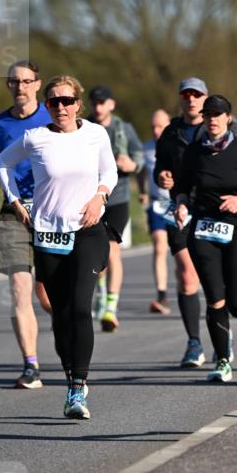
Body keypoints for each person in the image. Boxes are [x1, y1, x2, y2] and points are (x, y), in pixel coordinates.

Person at [0, 76, 117, 419]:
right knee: (61, 314)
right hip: (48, 233)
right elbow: (3, 163)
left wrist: (100, 196)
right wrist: (17, 202)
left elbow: (109, 171)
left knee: (80, 307)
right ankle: (70, 375)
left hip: (88, 231)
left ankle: (77, 386)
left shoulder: (95, 134)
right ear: (46, 106)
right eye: (53, 102)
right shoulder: (35, 138)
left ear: (78, 103)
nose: (60, 107)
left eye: (66, 100)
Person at [174, 94, 237, 383]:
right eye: (208, 115)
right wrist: (180, 204)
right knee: (215, 300)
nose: (212, 119)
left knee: (236, 304)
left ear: (228, 117)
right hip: (203, 232)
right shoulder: (193, 152)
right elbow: (182, 188)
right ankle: (224, 361)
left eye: (218, 114)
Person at [0, 59, 51, 389]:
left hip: (52, 212)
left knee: (49, 298)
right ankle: (31, 365)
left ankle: (70, 343)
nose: (19, 87)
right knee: (20, 289)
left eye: (25, 81)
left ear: (37, 84)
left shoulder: (54, 118)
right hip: (13, 212)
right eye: (13, 82)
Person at [154, 77, 210, 367]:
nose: (191, 99)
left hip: (212, 209)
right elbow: (159, 168)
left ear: (205, 97)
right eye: (186, 94)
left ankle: (223, 334)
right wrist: (162, 176)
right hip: (179, 209)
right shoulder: (171, 132)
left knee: (215, 278)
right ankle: (194, 343)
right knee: (187, 274)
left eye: (196, 95)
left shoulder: (216, 127)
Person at [88, 85, 144, 332]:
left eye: (102, 103)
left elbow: (139, 157)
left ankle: (111, 306)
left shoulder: (124, 128)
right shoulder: (83, 127)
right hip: (90, 198)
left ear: (111, 104)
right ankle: (100, 291)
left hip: (118, 197)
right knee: (95, 254)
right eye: (94, 103)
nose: (98, 107)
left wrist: (131, 164)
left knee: (112, 251)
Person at [138, 108, 172, 314]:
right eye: (153, 127)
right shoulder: (146, 148)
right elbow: (141, 173)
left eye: (161, 126)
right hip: (157, 204)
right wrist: (142, 191)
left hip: (179, 205)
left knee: (184, 253)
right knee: (160, 246)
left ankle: (191, 286)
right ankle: (162, 294)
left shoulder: (178, 145)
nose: (156, 131)